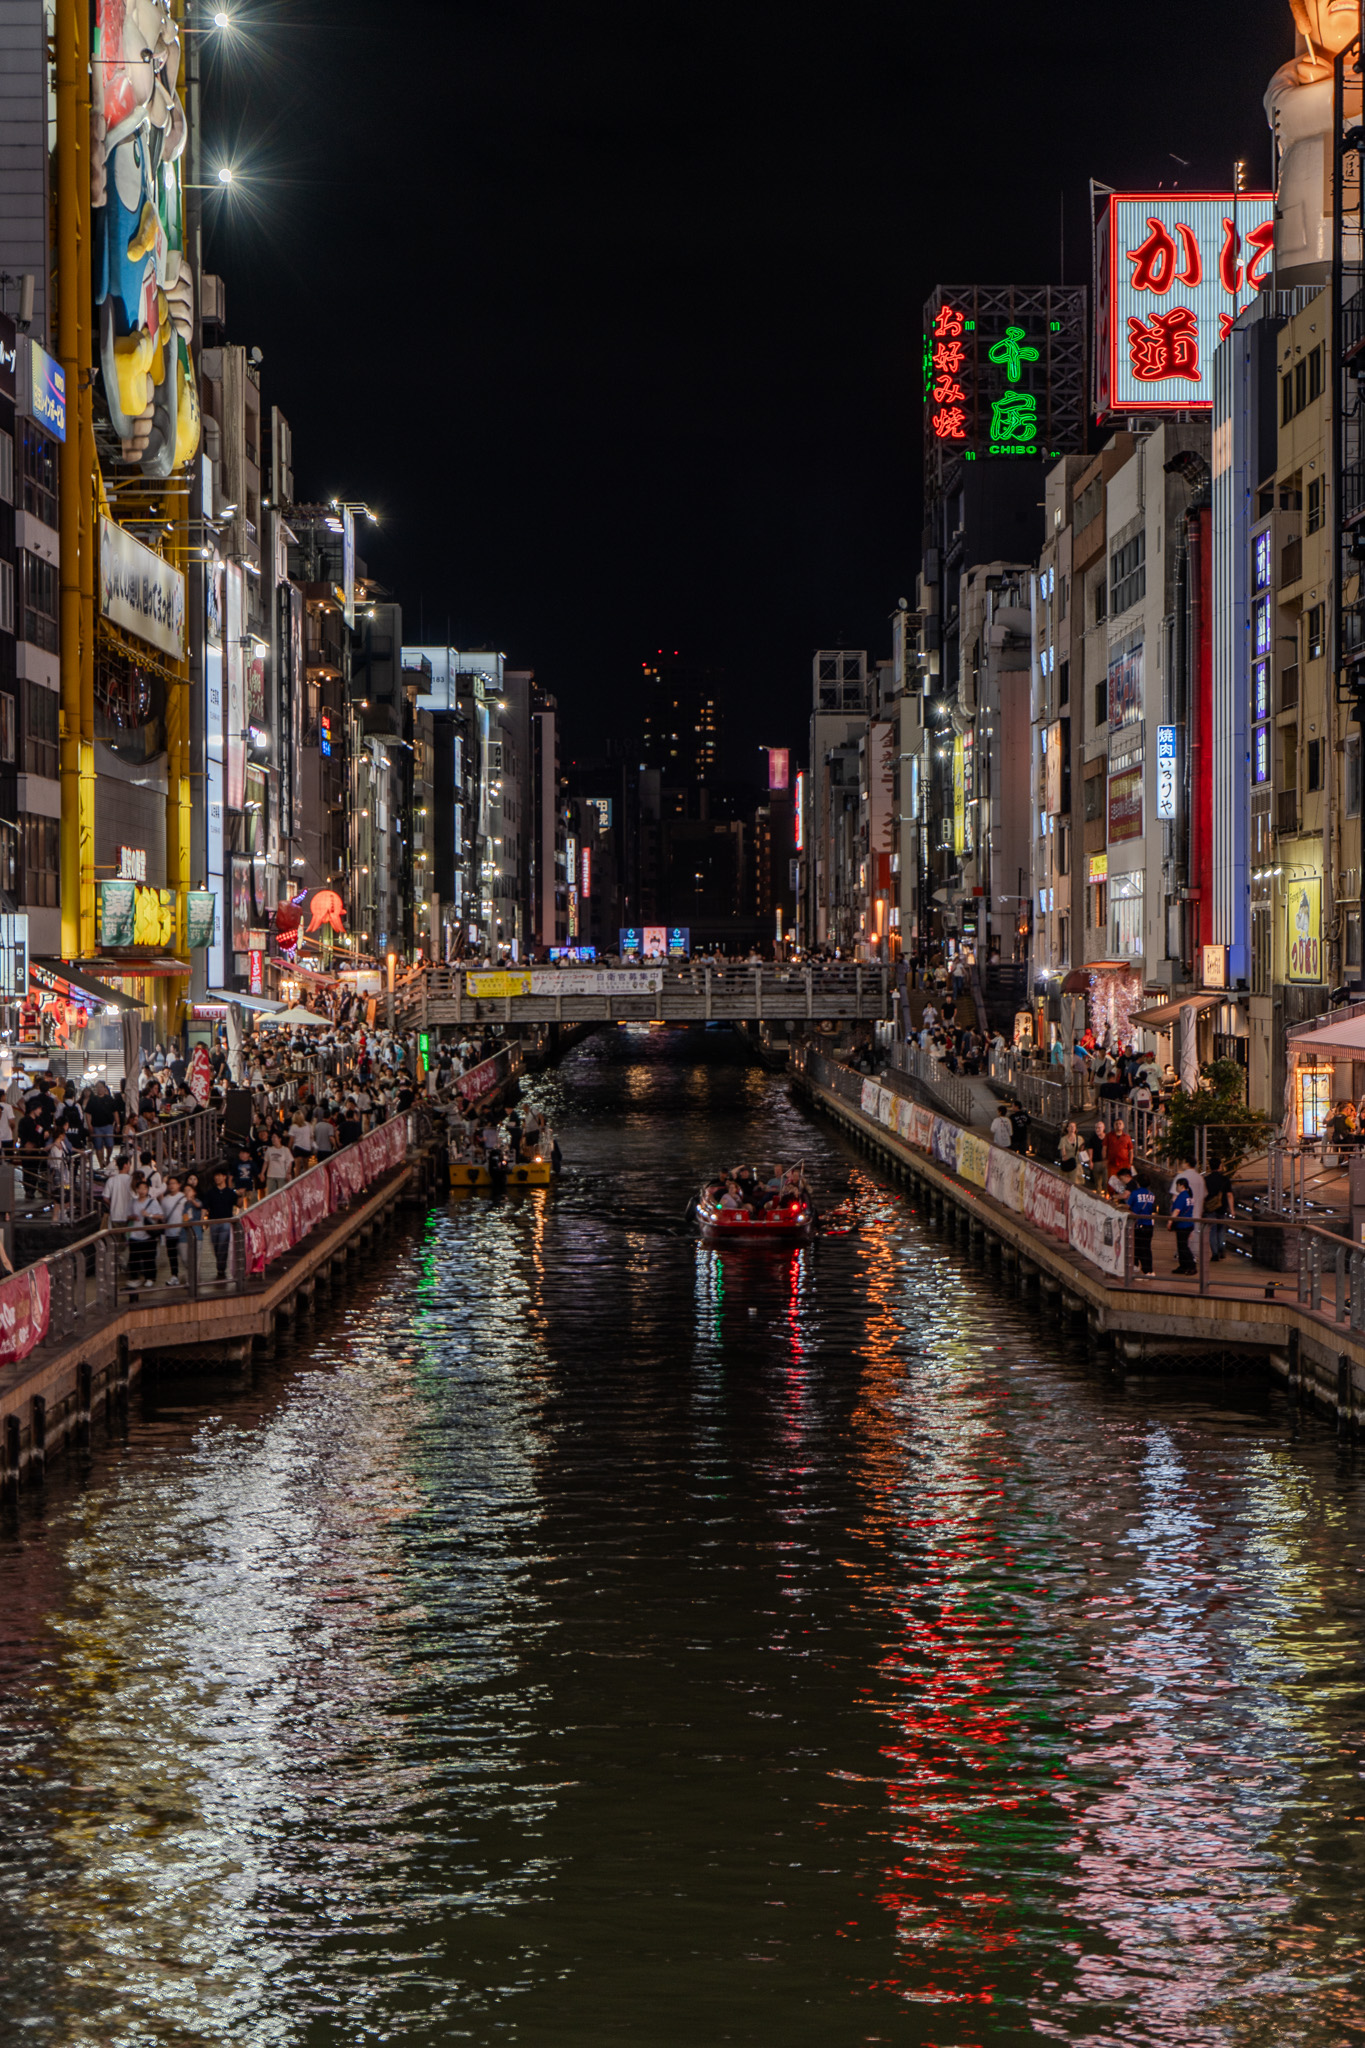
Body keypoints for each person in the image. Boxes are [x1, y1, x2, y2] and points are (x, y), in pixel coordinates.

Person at [202, 1168, 238, 1282]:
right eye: (215, 1176)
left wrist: (241, 1195)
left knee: (223, 1244)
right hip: (214, 1222)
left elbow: (238, 1204)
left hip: (226, 1222)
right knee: (216, 1245)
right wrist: (203, 1220)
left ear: (224, 1177)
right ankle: (220, 1265)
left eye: (219, 1175)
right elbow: (205, 1206)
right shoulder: (211, 1192)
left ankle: (221, 1268)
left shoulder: (230, 1192)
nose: (217, 1178)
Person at [161, 1174, 190, 1285]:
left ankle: (188, 1276)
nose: (172, 1185)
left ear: (179, 1185)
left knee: (184, 1256)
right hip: (169, 1232)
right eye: (170, 1183)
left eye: (174, 1183)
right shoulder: (165, 1200)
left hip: (182, 1232)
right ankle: (174, 1276)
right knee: (172, 1256)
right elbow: (163, 1216)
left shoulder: (183, 1198)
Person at [1128, 1172, 1158, 1275]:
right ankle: (1145, 1268)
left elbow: (1128, 1206)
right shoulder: (1151, 1195)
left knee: (1138, 1247)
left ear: (1138, 1183)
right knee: (1146, 1247)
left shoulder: (1135, 1193)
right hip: (1149, 1224)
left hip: (1138, 1224)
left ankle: (1144, 1269)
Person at [1204, 1158, 1233, 1261]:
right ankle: (1221, 1248)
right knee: (1221, 1230)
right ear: (1220, 1166)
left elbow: (1204, 1194)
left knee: (1212, 1230)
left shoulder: (1206, 1179)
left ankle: (1215, 1253)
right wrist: (1232, 1210)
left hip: (1210, 1208)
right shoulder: (1225, 1179)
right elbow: (1229, 1195)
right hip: (1222, 1207)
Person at [1168, 1176, 1197, 1274]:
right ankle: (1183, 1266)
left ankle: (1190, 1265)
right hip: (1189, 1223)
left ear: (1181, 1185)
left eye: (1177, 1185)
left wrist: (1170, 1221)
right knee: (1182, 1246)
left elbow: (1177, 1210)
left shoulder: (1182, 1196)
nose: (1176, 1188)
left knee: (1183, 1247)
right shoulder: (1189, 1196)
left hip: (1182, 1224)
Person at [1102, 1118, 1134, 1185]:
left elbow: (1131, 1150)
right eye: (1116, 1124)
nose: (1118, 1125)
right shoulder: (1108, 1136)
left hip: (1124, 1163)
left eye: (1120, 1124)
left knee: (1124, 1182)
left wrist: (1130, 1162)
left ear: (1123, 1125)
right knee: (1111, 1182)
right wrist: (1104, 1159)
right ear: (1114, 1126)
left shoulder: (1127, 1137)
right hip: (1112, 1163)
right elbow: (1104, 1148)